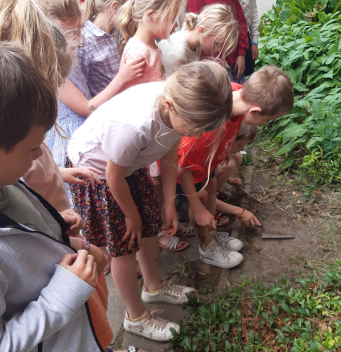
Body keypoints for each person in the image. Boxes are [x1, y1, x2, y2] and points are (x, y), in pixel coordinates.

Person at [0, 0, 129, 349]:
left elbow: (30, 183)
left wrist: (58, 178)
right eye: (55, 81)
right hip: (57, 276)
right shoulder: (6, 159)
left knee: (94, 321)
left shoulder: (12, 149)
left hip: (61, 243)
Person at [0, 34, 103, 352]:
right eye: (34, 147)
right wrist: (61, 297)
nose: (39, 156)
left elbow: (15, 238)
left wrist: (50, 228)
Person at [67, 61, 233, 342]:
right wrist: (131, 215)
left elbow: (169, 154)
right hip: (100, 175)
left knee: (149, 229)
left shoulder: (179, 104)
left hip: (129, 167)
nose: (195, 134)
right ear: (169, 105)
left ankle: (154, 287)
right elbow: (113, 175)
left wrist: (169, 202)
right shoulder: (135, 125)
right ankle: (135, 316)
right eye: (194, 127)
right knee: (125, 246)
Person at [177, 66, 294, 268]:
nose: (263, 124)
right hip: (187, 171)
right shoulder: (208, 129)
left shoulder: (237, 93)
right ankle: (207, 248)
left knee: (212, 185)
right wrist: (197, 209)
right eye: (266, 120)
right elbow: (182, 169)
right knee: (202, 200)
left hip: (206, 164)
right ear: (255, 110)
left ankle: (211, 235)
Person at [41, 0, 145, 204]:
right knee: (85, 195)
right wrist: (122, 77)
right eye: (72, 34)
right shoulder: (53, 67)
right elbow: (86, 107)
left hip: (87, 128)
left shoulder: (69, 53)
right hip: (70, 137)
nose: (80, 40)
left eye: (80, 30)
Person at [117, 0, 187, 252]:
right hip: (143, 134)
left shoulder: (152, 47)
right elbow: (129, 100)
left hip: (154, 131)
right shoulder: (138, 51)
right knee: (150, 185)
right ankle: (155, 230)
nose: (178, 24)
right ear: (150, 16)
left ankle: (161, 223)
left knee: (155, 185)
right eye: (173, 18)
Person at [157, 4, 238, 77]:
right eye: (217, 43)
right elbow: (170, 87)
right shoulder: (178, 53)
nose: (219, 49)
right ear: (201, 31)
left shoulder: (197, 44)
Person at [187, 0, 248, 83]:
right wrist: (214, 59)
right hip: (208, 63)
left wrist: (241, 52)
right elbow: (198, 27)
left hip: (230, 59)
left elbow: (240, 23)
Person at [237, 0, 260, 76]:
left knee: (248, 75)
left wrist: (254, 41)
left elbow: (253, 11)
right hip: (228, 39)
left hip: (245, 38)